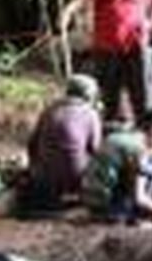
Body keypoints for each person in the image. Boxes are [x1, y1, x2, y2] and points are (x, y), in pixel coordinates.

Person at [83, 108, 152, 223]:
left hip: (89, 197)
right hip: (106, 205)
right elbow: (139, 198)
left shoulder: (120, 135)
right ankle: (126, 214)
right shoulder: (139, 150)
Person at [24, 75, 102, 209]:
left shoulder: (49, 110)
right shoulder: (90, 114)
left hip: (44, 178)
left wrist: (33, 167)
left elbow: (32, 143)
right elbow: (96, 149)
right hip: (76, 179)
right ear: (88, 94)